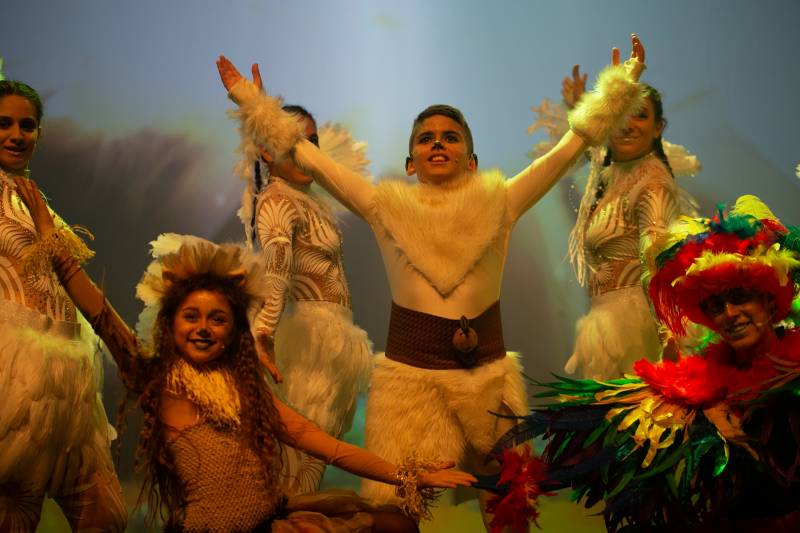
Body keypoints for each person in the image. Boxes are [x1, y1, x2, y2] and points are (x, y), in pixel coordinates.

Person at [217, 34, 647, 528]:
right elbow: (308, 156)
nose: (437, 142)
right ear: (409, 164)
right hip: (408, 384)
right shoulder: (385, 207)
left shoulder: (501, 202)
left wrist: (616, 90)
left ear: (471, 161)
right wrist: (254, 105)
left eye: (450, 137)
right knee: (391, 519)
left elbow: (568, 149)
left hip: (487, 379)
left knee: (508, 511)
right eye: (425, 138)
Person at [14, 173, 475, 531]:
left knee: (396, 524)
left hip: (269, 520)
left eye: (217, 319)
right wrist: (53, 245)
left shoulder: (248, 388)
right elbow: (98, 313)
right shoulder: (154, 376)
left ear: (234, 331)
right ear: (170, 324)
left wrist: (407, 474)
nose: (202, 328)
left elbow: (329, 447)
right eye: (191, 317)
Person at [487, 195, 800, 531]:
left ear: (769, 300)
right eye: (714, 305)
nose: (729, 314)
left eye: (739, 297)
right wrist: (524, 480)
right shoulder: (695, 391)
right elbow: (602, 443)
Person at [0, 79, 127, 531]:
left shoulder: (35, 198)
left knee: (107, 517)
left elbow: (72, 278)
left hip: (71, 382)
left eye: (27, 125)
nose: (17, 134)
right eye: (4, 123)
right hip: (15, 385)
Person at [243, 104, 373, 494]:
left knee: (307, 475)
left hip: (330, 344)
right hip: (306, 347)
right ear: (266, 151)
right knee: (294, 478)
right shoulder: (277, 200)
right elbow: (277, 267)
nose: (304, 150)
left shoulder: (311, 199)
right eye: (290, 141)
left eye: (310, 141)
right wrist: (263, 329)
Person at [557, 65, 700, 379]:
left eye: (640, 115)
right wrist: (580, 107)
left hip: (635, 333)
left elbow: (659, 257)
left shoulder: (652, 183)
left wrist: (669, 334)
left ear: (658, 127)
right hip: (607, 326)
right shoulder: (615, 174)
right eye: (621, 114)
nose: (627, 124)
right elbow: (594, 149)